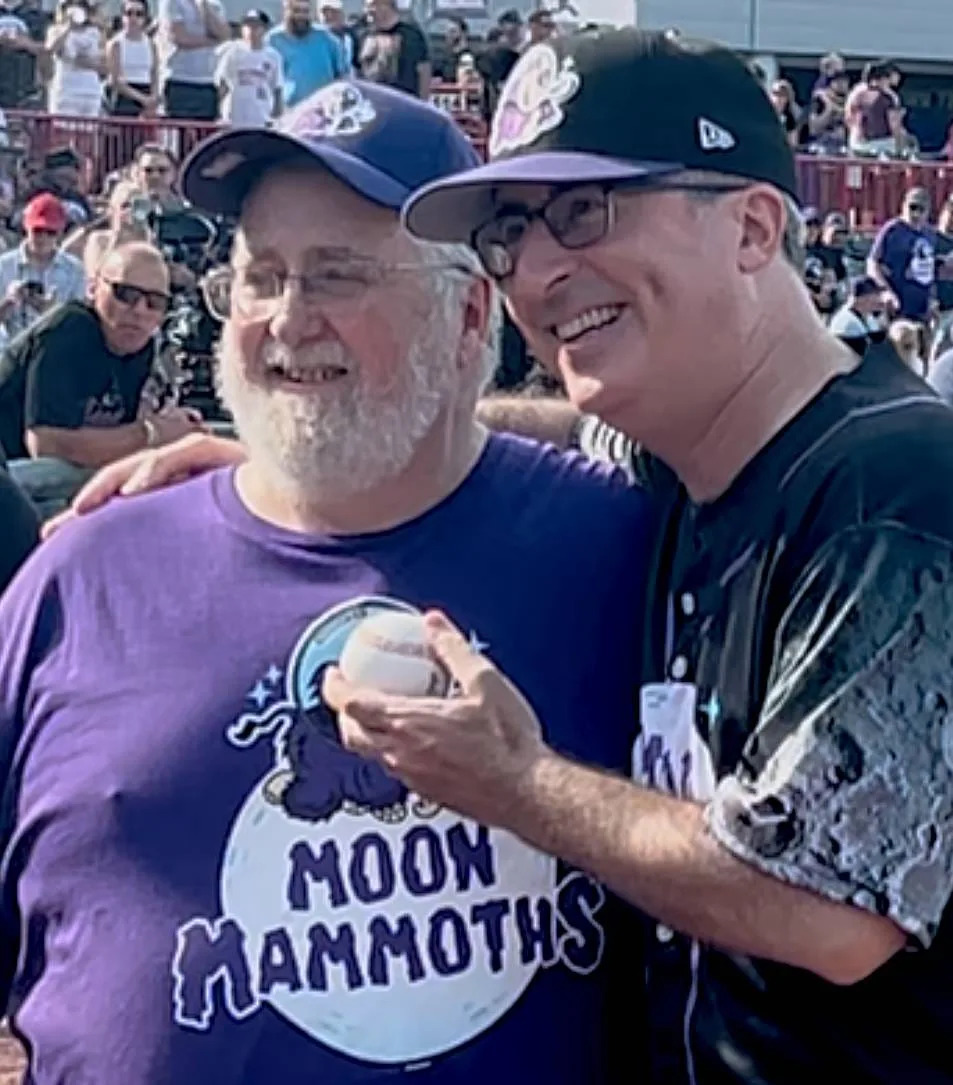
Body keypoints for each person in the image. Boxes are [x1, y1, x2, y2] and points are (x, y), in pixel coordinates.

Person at [1, 78, 651, 1085]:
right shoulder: (82, 575)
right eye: (260, 277)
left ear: (471, 315)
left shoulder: (625, 552)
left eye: (339, 276)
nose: (287, 320)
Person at [355, 29, 953, 1084]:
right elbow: (553, 431)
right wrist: (336, 451)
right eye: (508, 234)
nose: (535, 271)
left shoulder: (895, 489)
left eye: (583, 210)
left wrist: (513, 780)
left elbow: (824, 904)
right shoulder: (695, 448)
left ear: (752, 227)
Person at [0, 242, 200, 471]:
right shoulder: (68, 330)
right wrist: (152, 433)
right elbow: (45, 445)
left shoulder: (142, 347)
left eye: (155, 302)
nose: (140, 310)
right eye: (126, 294)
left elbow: (117, 440)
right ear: (93, 289)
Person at [0, 192, 85, 340]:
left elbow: (80, 327)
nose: (43, 238)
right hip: (10, 349)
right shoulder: (4, 265)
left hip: (55, 349)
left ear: (60, 233)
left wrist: (54, 312)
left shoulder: (75, 270)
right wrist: (8, 302)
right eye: (37, 231)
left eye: (50, 232)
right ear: (26, 228)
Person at [157, 0, 230, 121]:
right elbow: (180, 38)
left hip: (209, 83)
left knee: (206, 134)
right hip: (180, 81)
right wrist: (211, 42)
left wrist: (204, 7)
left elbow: (224, 34)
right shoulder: (172, 2)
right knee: (181, 133)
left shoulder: (214, 4)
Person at [266, 0, 346, 109]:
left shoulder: (326, 38)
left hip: (324, 109)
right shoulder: (273, 40)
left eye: (305, 11)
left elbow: (342, 74)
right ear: (286, 11)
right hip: (289, 112)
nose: (301, 16)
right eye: (296, 11)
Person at [215, 9, 282, 128]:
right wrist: (219, 111)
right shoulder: (233, 52)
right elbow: (223, 82)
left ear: (265, 29)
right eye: (248, 26)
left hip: (261, 115)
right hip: (235, 116)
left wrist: (276, 116)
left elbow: (277, 88)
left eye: (256, 27)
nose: (251, 31)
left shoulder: (273, 56)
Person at [357, 0, 430, 99]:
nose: (367, 10)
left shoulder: (411, 36)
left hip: (404, 102)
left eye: (371, 5)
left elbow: (424, 70)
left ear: (385, 4)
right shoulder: (364, 36)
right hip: (372, 104)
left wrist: (423, 105)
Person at [105, 0, 158, 117]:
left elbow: (154, 74)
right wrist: (141, 98)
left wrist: (153, 98)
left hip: (146, 93)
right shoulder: (116, 44)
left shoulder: (151, 44)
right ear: (122, 16)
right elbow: (115, 80)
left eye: (139, 14)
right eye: (129, 13)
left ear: (145, 18)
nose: (133, 18)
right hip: (123, 98)